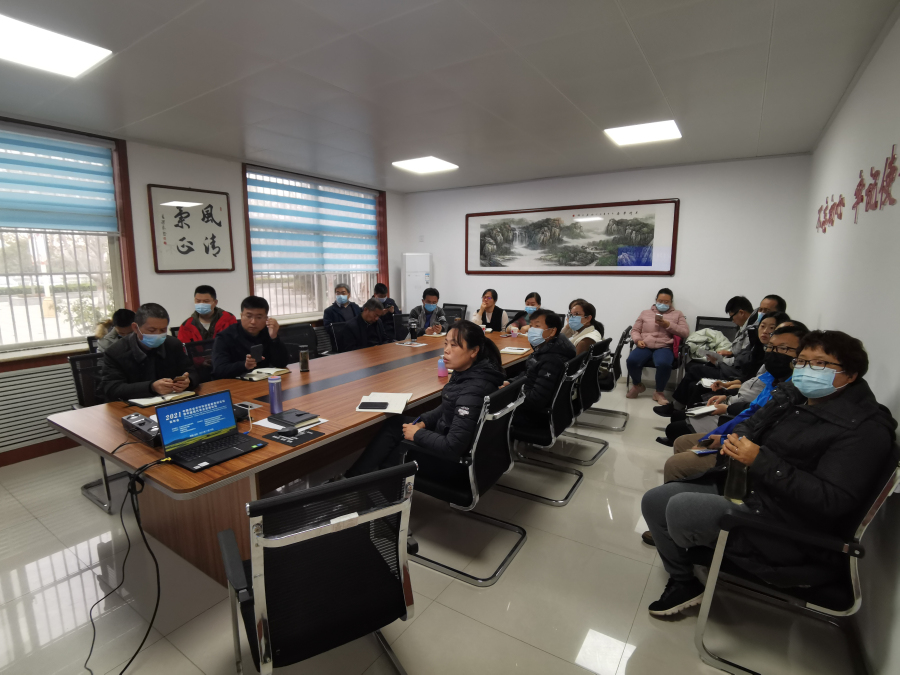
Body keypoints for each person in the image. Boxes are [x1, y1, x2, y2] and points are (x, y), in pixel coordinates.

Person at [640, 330, 896, 616]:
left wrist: (760, 460)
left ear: (851, 374)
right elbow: (751, 422)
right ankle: (684, 581)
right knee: (654, 500)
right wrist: (738, 440)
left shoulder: (865, 430)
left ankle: (694, 551)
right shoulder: (795, 395)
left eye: (821, 364)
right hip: (754, 490)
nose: (807, 370)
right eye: (802, 361)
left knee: (680, 508)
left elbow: (832, 500)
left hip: (789, 528)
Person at [651, 322, 807, 490]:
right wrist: (719, 435)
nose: (774, 352)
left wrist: (724, 433)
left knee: (677, 445)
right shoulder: (773, 377)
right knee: (682, 434)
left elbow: (761, 429)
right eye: (770, 347)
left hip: (748, 448)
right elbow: (752, 414)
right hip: (737, 421)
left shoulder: (794, 392)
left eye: (783, 348)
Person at [344, 320, 505, 477]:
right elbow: (449, 405)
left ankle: (357, 483)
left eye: (454, 345)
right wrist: (424, 421)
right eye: (446, 344)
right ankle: (354, 479)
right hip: (447, 433)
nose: (446, 350)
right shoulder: (469, 371)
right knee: (395, 423)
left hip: (449, 463)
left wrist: (417, 434)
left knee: (397, 448)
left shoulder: (473, 389)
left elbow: (453, 446)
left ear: (474, 351)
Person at [662, 295, 756, 414]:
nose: (732, 321)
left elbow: (742, 360)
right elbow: (740, 353)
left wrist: (719, 361)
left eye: (732, 317)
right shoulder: (746, 328)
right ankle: (683, 412)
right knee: (693, 382)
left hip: (734, 372)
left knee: (695, 370)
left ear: (741, 313)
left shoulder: (752, 332)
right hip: (731, 366)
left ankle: (676, 409)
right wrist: (730, 352)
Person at [100, 303, 197, 401]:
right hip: (132, 406)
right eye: (152, 330)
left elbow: (192, 372)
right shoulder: (115, 352)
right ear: (135, 328)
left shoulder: (173, 344)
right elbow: (111, 388)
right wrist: (151, 387)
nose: (158, 334)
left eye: (163, 330)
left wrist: (188, 381)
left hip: (171, 401)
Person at [625, 288, 689, 404]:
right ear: (656, 300)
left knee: (664, 364)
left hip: (664, 346)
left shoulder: (678, 314)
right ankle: (637, 385)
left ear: (671, 302)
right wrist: (638, 340)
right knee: (632, 360)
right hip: (645, 345)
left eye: (666, 302)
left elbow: (685, 333)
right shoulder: (645, 313)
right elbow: (635, 330)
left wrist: (668, 324)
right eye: (660, 301)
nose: (662, 304)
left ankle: (659, 392)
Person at [514, 310, 576, 419]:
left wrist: (509, 394)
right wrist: (510, 383)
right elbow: (530, 374)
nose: (531, 330)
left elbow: (536, 400)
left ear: (552, 331)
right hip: (528, 395)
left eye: (537, 326)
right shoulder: (548, 348)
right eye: (531, 326)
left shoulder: (552, 360)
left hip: (532, 415)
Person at [211, 296, 289, 378]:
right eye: (249, 316)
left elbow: (281, 364)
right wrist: (244, 365)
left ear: (266, 318)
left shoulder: (268, 332)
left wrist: (274, 338)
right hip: (234, 382)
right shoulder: (225, 337)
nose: (253, 322)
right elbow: (219, 370)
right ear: (241, 316)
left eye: (259, 317)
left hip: (263, 381)